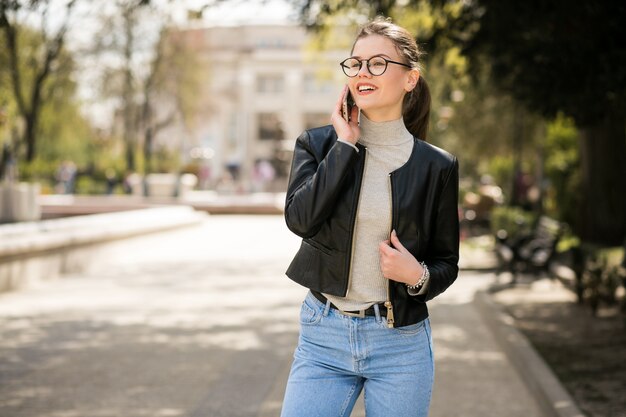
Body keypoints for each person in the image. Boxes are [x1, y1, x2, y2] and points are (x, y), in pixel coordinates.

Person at [281, 17, 459, 417]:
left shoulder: (438, 166)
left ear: (410, 79)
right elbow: (300, 219)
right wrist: (344, 145)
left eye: (378, 64)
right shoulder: (318, 144)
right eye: (356, 63)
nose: (363, 72)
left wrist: (417, 276)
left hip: (400, 345)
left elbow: (447, 262)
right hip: (323, 335)